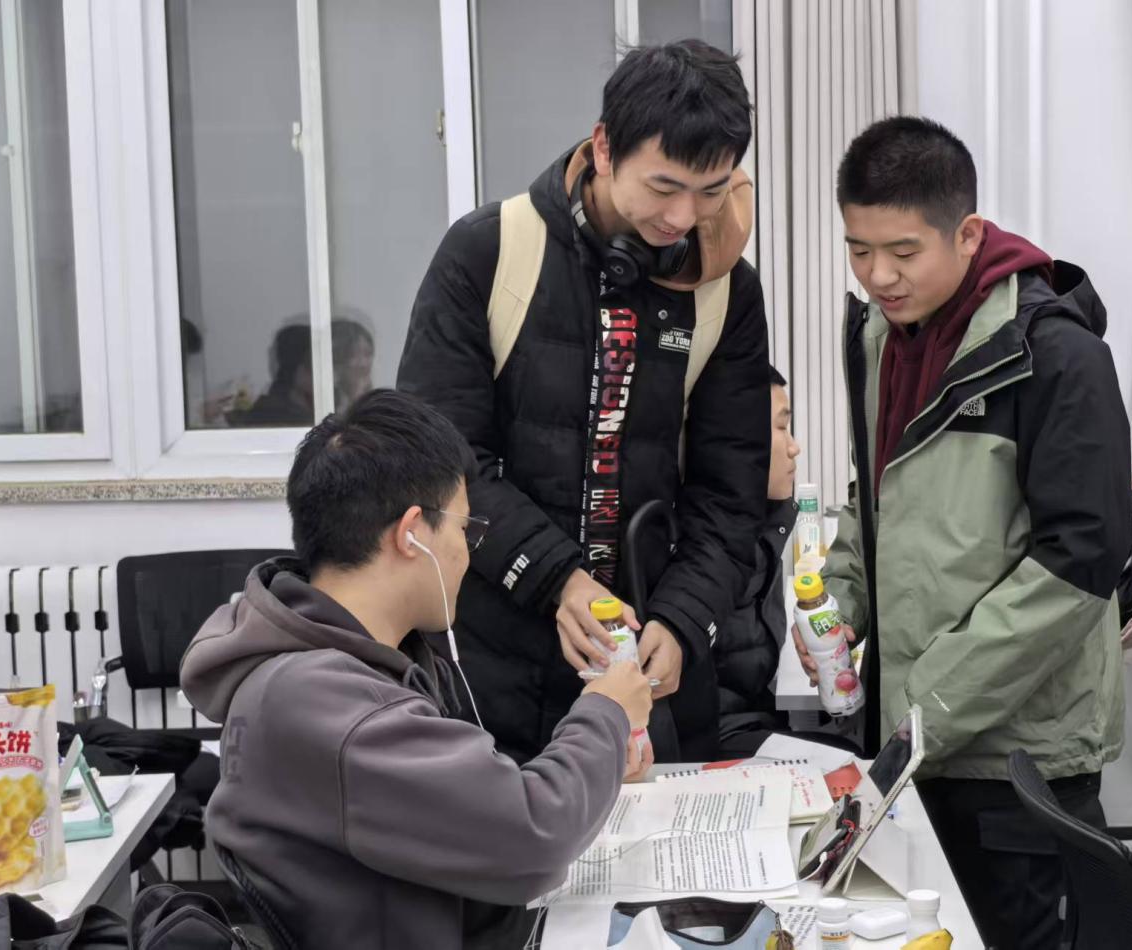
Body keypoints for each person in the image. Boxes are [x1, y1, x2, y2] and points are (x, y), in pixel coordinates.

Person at [793, 116, 1131, 949]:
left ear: (968, 234)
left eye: (902, 252)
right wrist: (837, 600)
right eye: (857, 249)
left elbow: (1080, 561)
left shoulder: (1055, 356)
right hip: (914, 739)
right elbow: (876, 495)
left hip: (1014, 757)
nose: (877, 275)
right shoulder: (880, 337)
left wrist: (929, 700)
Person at [398, 40, 770, 764]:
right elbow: (440, 464)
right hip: (489, 671)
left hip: (656, 678)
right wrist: (555, 580)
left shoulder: (725, 290)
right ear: (603, 148)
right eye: (663, 187)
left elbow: (731, 495)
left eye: (712, 191)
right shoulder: (487, 253)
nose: (684, 216)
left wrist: (683, 619)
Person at [180, 389, 652, 950]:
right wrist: (607, 712)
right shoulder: (323, 700)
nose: (467, 553)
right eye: (463, 529)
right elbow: (534, 835)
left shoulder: (335, 668)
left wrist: (595, 766)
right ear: (411, 534)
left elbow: (478, 812)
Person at [715, 366, 801, 756]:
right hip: (718, 744)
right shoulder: (707, 549)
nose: (794, 447)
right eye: (782, 428)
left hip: (753, 725)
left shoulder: (764, 528)